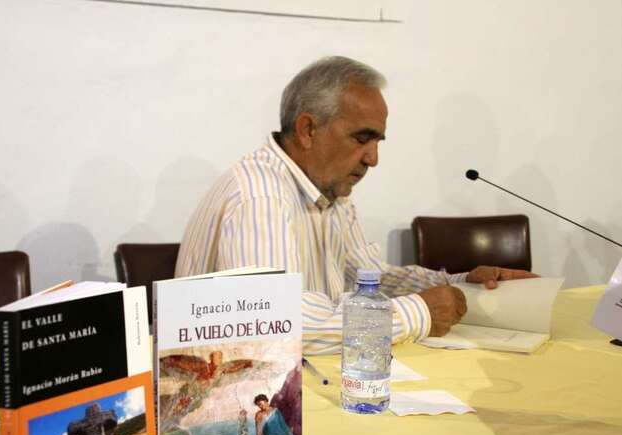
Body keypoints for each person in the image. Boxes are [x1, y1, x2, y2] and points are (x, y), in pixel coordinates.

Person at [175, 56, 536, 354]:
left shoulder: (330, 192)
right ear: (308, 130)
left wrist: (459, 284)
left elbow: (370, 278)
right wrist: (418, 313)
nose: (373, 158)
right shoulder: (261, 196)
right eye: (362, 139)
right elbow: (277, 328)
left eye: (378, 142)